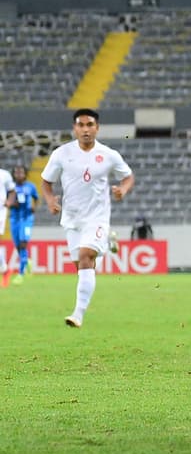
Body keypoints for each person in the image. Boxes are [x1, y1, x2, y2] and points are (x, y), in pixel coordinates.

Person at [39, 108, 134, 327]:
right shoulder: (62, 153)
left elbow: (128, 176)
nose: (85, 129)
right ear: (74, 128)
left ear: (97, 128)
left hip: (97, 217)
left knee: (85, 256)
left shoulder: (109, 155)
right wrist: (50, 199)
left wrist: (123, 189)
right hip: (72, 218)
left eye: (90, 125)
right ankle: (107, 241)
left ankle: (78, 314)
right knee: (82, 264)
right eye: (81, 125)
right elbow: (46, 181)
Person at [6, 165, 39, 283]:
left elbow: (36, 198)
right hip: (14, 219)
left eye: (21, 173)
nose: (19, 175)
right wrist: (11, 204)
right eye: (16, 173)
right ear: (13, 175)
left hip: (26, 219)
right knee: (18, 245)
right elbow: (6, 201)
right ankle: (27, 260)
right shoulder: (11, 188)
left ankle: (21, 273)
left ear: (25, 174)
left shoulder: (31, 186)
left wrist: (34, 206)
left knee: (23, 243)